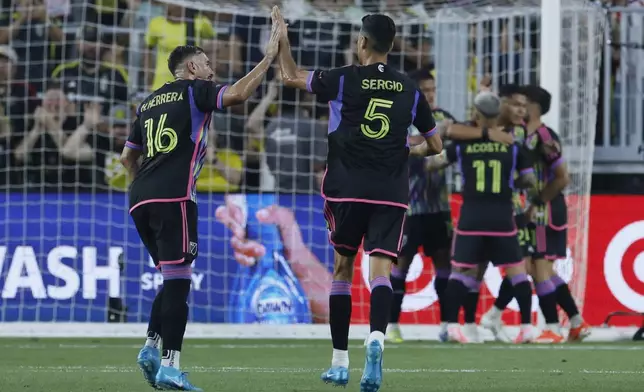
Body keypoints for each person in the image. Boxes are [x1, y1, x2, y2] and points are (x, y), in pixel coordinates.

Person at [275, 9, 442, 392]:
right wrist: (406, 147)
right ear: (392, 45)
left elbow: (289, 77)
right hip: (391, 193)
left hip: (346, 187)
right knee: (380, 271)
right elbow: (434, 145)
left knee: (342, 269)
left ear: (362, 42)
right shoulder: (409, 89)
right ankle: (377, 341)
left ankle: (338, 361)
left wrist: (282, 39)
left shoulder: (343, 78)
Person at [119, 7, 282, 390]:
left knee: (172, 278)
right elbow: (240, 94)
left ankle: (150, 346)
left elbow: (128, 156)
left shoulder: (148, 102)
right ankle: (171, 367)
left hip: (140, 197)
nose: (212, 70)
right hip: (175, 196)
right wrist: (269, 59)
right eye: (207, 64)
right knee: (179, 284)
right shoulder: (196, 92)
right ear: (191, 69)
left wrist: (143, 184)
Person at [417, 92, 537, 344]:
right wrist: (511, 184)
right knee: (517, 273)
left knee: (461, 273)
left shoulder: (462, 145)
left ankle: (451, 326)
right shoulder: (513, 146)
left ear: (477, 114)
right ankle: (526, 327)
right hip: (502, 217)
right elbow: (529, 180)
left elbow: (432, 164)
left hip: (471, 218)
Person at [480, 85, 590, 343]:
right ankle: (575, 320)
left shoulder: (543, 136)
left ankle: (551, 326)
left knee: (538, 266)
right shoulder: (520, 133)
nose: (519, 107)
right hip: (534, 209)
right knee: (530, 266)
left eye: (524, 102)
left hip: (543, 210)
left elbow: (563, 177)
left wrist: (538, 202)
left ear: (535, 107)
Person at [387, 69, 456, 344]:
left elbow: (459, 131)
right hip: (409, 208)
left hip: (439, 208)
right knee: (400, 265)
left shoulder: (442, 118)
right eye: (424, 89)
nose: (429, 94)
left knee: (444, 265)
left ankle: (447, 325)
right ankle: (391, 325)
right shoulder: (400, 117)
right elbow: (423, 159)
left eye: (432, 89)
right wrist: (449, 148)